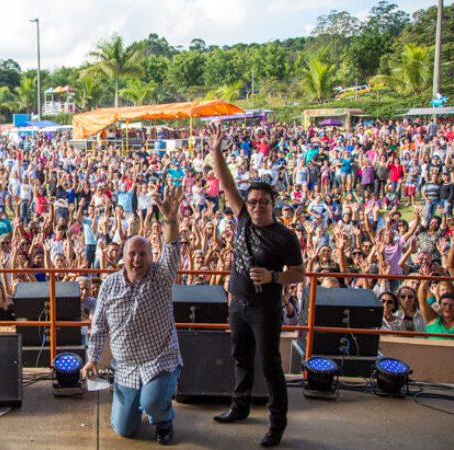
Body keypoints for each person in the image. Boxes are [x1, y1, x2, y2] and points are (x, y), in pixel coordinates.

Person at [206, 123, 305, 447]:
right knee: (241, 358)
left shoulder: (285, 237)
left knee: (270, 365)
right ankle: (240, 406)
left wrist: (274, 277)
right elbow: (227, 184)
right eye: (253, 202)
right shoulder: (243, 219)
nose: (257, 206)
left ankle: (277, 424)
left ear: (273, 204)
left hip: (266, 308)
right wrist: (216, 150)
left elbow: (299, 274)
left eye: (263, 202)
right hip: (238, 303)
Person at [81, 185, 183, 446]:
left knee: (153, 403)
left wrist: (170, 219)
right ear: (123, 258)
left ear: (151, 257)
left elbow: (171, 250)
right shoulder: (109, 284)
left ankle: (164, 421)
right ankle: (127, 399)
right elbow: (100, 325)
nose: (137, 259)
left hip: (159, 359)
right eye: (132, 254)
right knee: (125, 430)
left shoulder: (160, 278)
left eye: (143, 254)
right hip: (125, 365)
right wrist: (92, 360)